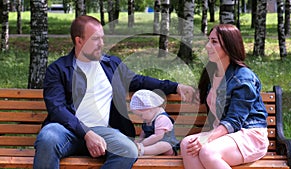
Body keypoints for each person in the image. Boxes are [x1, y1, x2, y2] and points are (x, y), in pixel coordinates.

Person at [33, 15, 196, 169]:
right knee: (48, 137)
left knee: (129, 151)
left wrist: (175, 87)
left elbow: (138, 81)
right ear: (79, 41)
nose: (102, 43)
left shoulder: (111, 65)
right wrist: (87, 133)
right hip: (66, 131)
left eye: (102, 38)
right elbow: (57, 109)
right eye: (96, 39)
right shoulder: (58, 69)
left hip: (104, 132)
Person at [180, 24, 269, 169]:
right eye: (208, 41)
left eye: (214, 42)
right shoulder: (213, 73)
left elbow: (234, 121)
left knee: (208, 152)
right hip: (224, 136)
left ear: (229, 45)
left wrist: (207, 138)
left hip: (249, 135)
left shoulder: (243, 78)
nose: (208, 46)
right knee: (187, 145)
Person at [130, 89, 180, 156]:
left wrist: (142, 144)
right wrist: (139, 140)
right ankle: (143, 150)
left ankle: (142, 151)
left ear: (149, 108)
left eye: (140, 115)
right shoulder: (148, 119)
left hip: (167, 148)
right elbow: (144, 132)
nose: (140, 118)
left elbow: (158, 136)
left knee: (164, 145)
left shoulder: (162, 118)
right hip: (151, 144)